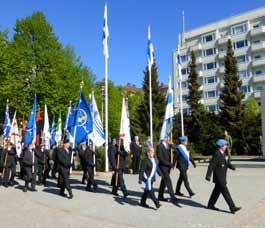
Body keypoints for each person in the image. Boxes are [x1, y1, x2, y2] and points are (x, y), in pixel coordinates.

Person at [206, 139, 241, 214]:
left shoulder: (223, 153)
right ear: (221, 146)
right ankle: (232, 207)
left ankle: (210, 204)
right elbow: (211, 165)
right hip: (219, 177)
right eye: (225, 145)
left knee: (216, 191)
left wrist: (232, 167)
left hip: (222, 176)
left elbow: (226, 163)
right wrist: (208, 175)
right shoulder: (216, 154)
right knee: (225, 192)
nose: (226, 146)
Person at [156, 138, 180, 206]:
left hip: (168, 167)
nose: (170, 140)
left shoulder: (168, 146)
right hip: (163, 167)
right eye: (168, 139)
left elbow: (177, 153)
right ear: (165, 139)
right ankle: (173, 197)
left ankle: (160, 196)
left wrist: (173, 146)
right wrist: (169, 164)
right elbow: (160, 158)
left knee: (163, 182)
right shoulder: (159, 146)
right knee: (168, 181)